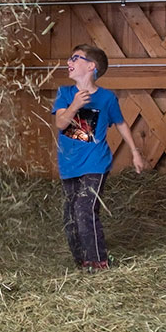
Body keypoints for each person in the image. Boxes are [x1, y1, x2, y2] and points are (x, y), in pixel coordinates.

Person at [52, 44, 145, 272]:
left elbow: (121, 123)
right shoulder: (65, 93)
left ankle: (99, 262)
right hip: (69, 164)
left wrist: (134, 152)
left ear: (91, 66)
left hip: (96, 163)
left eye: (75, 58)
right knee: (71, 215)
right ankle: (82, 262)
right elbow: (61, 123)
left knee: (85, 209)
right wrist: (75, 105)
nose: (68, 62)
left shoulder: (106, 98)